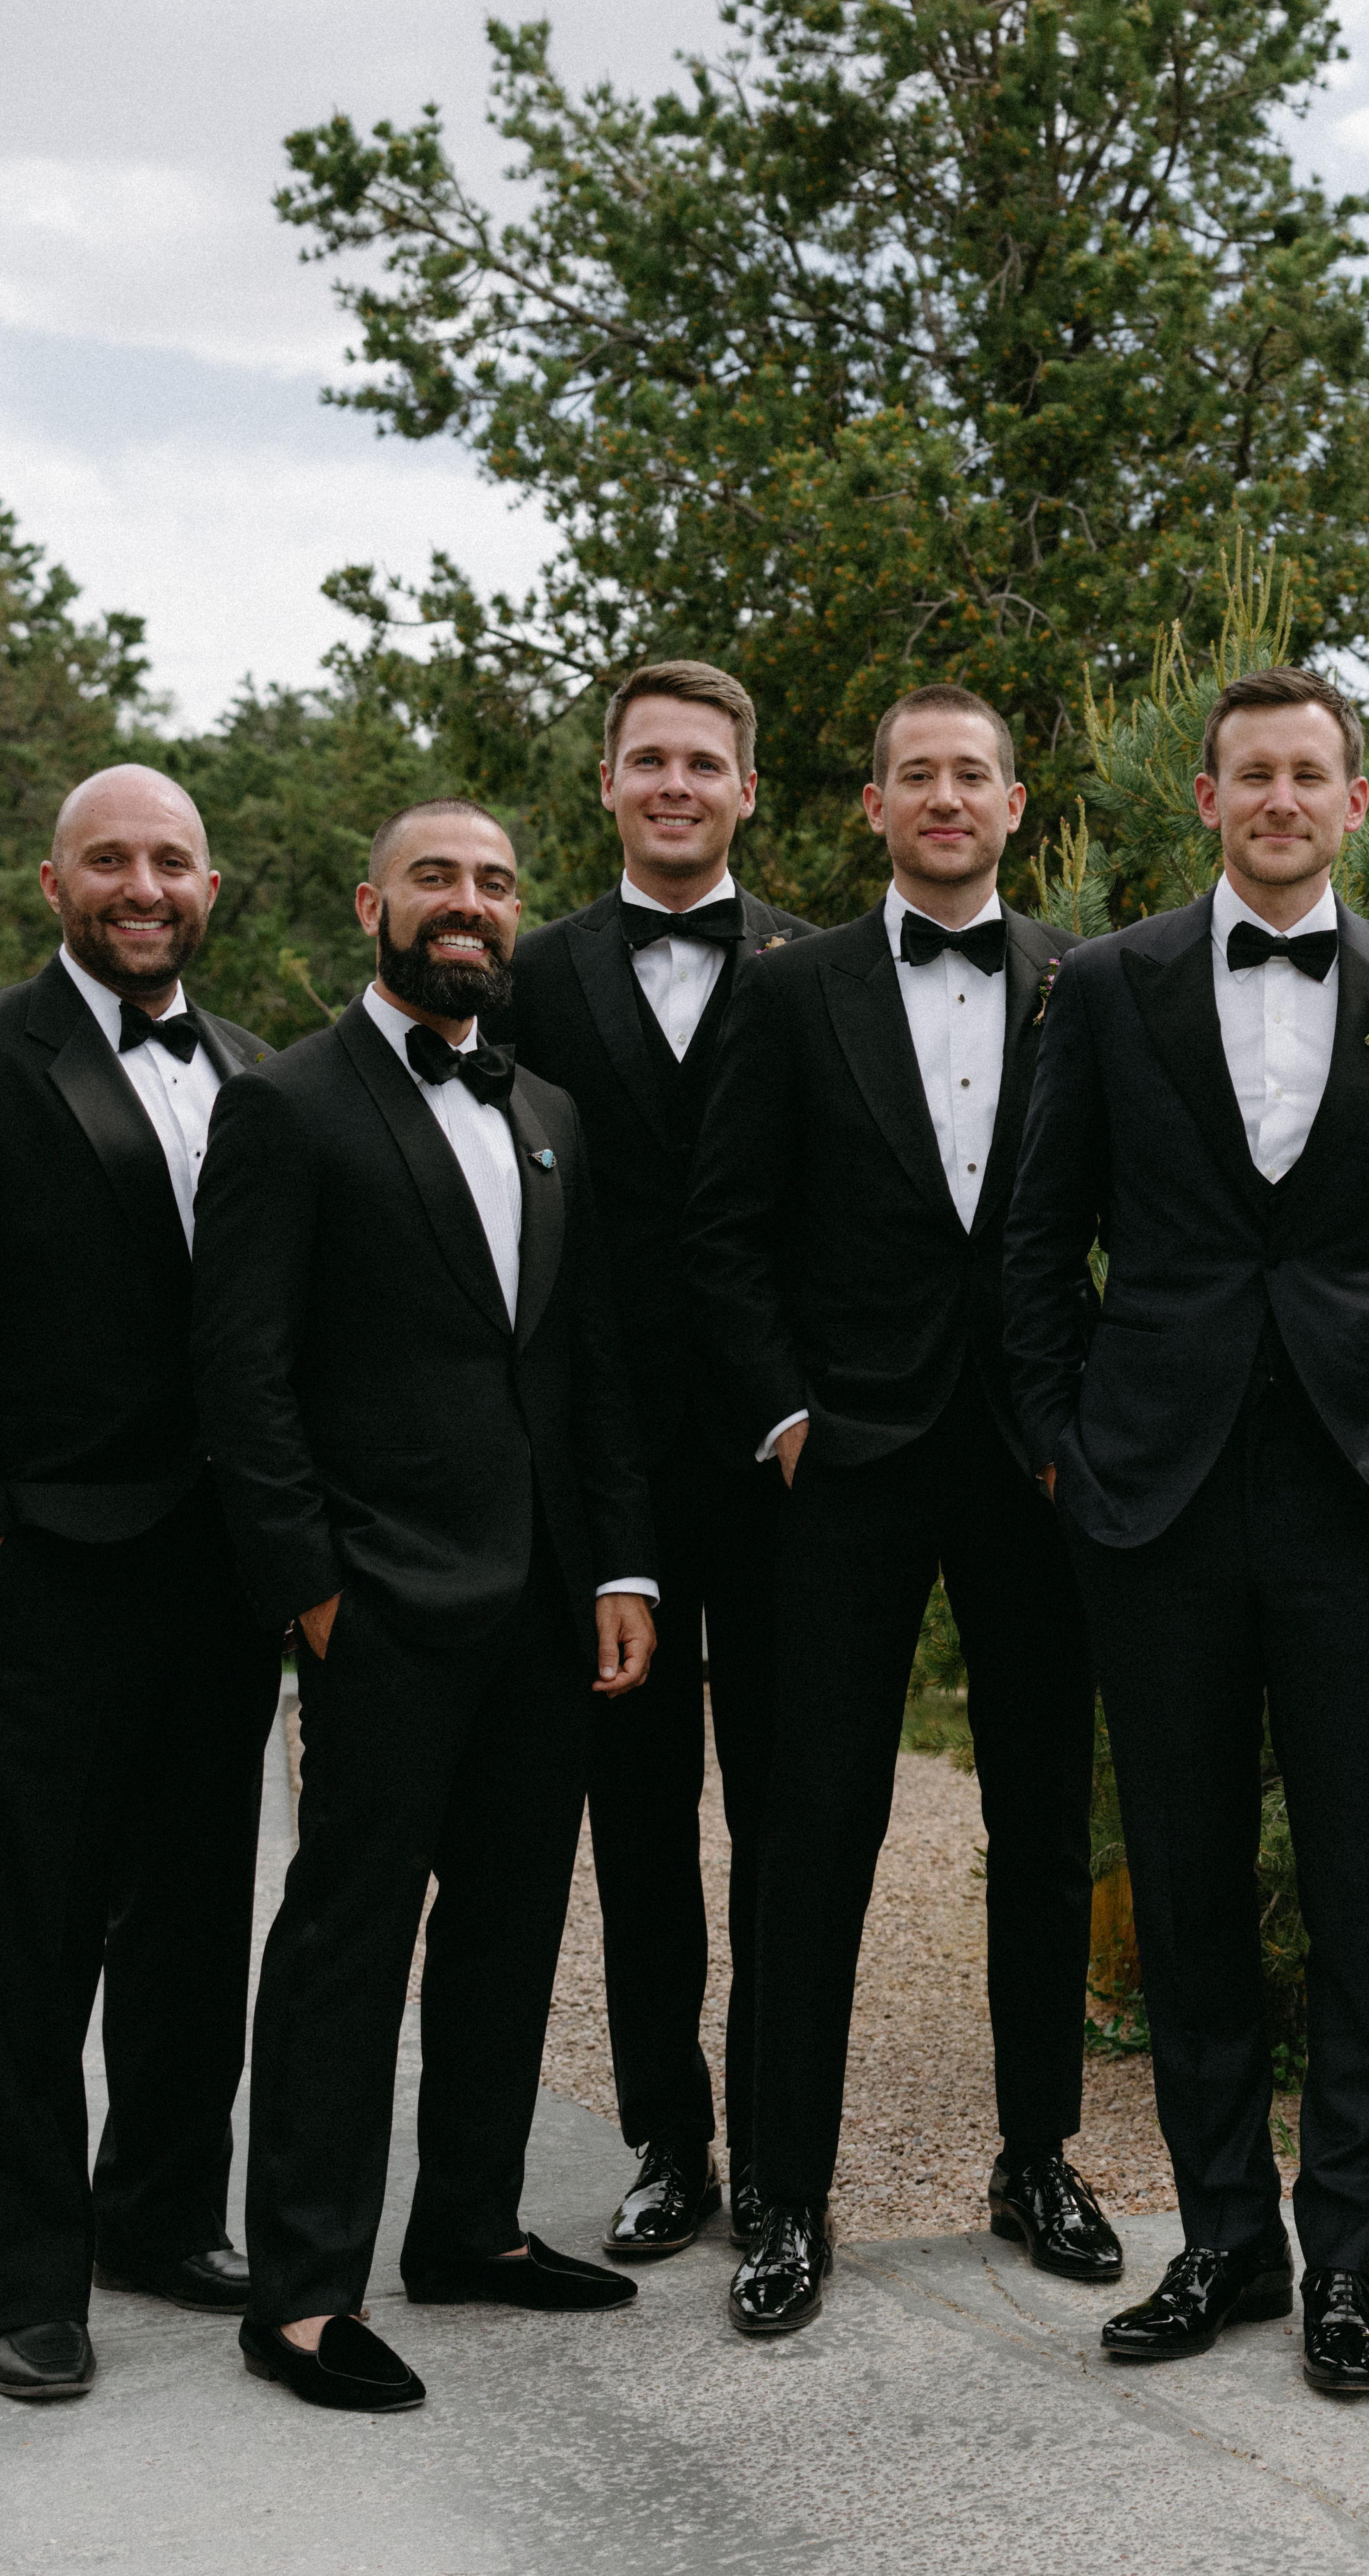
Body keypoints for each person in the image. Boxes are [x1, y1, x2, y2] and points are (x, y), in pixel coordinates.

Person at [1001, 664, 1369, 2396]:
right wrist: (1066, 1454)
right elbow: (1040, 1237)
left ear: (1354, 804)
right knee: (1188, 1881)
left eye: (1312, 774)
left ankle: (1348, 2259)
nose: (1282, 799)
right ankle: (1224, 2237)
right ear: (1208, 797)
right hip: (1155, 1496)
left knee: (1367, 1888)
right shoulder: (1109, 983)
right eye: (1254, 774)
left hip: (1362, 1502)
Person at [195, 799, 658, 2411]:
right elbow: (242, 1377)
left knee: (510, 1932)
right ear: (370, 902)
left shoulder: (547, 1108)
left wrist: (620, 1566)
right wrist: (310, 1592)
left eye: (495, 883)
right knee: (346, 1944)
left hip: (546, 1605)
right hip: (380, 1603)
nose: (469, 903)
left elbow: (585, 1361)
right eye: (436, 878)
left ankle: (469, 2227)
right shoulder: (287, 1106)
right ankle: (303, 2294)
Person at [688, 684, 1115, 2337]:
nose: (946, 797)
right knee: (813, 1833)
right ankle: (786, 2194)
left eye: (973, 776)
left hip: (1032, 1461)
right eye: (917, 776)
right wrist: (789, 1417)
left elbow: (1137, 1216)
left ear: (1016, 806)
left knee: (1046, 1825)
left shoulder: (1088, 982)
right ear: (874, 807)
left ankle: (1038, 2159)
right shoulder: (787, 990)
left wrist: (1089, 1426)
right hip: (846, 1464)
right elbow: (724, 1232)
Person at [494, 661, 812, 2262]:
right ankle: (666, 2139)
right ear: (609, 784)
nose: (676, 785)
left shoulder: (820, 969)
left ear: (748, 789)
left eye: (704, 762)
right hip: (603, 1467)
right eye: (648, 761)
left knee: (785, 1816)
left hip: (780, 1468)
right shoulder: (532, 977)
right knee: (636, 1821)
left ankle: (777, 2149)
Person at [0, 768, 283, 2403]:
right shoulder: (4, 1057)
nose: (142, 885)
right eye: (108, 859)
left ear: (210, 887)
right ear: (54, 886)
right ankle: (24, 2275)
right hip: (48, 1563)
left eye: (170, 859)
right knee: (30, 1930)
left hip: (221, 1569)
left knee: (193, 1911)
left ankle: (160, 2214)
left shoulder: (251, 1069)